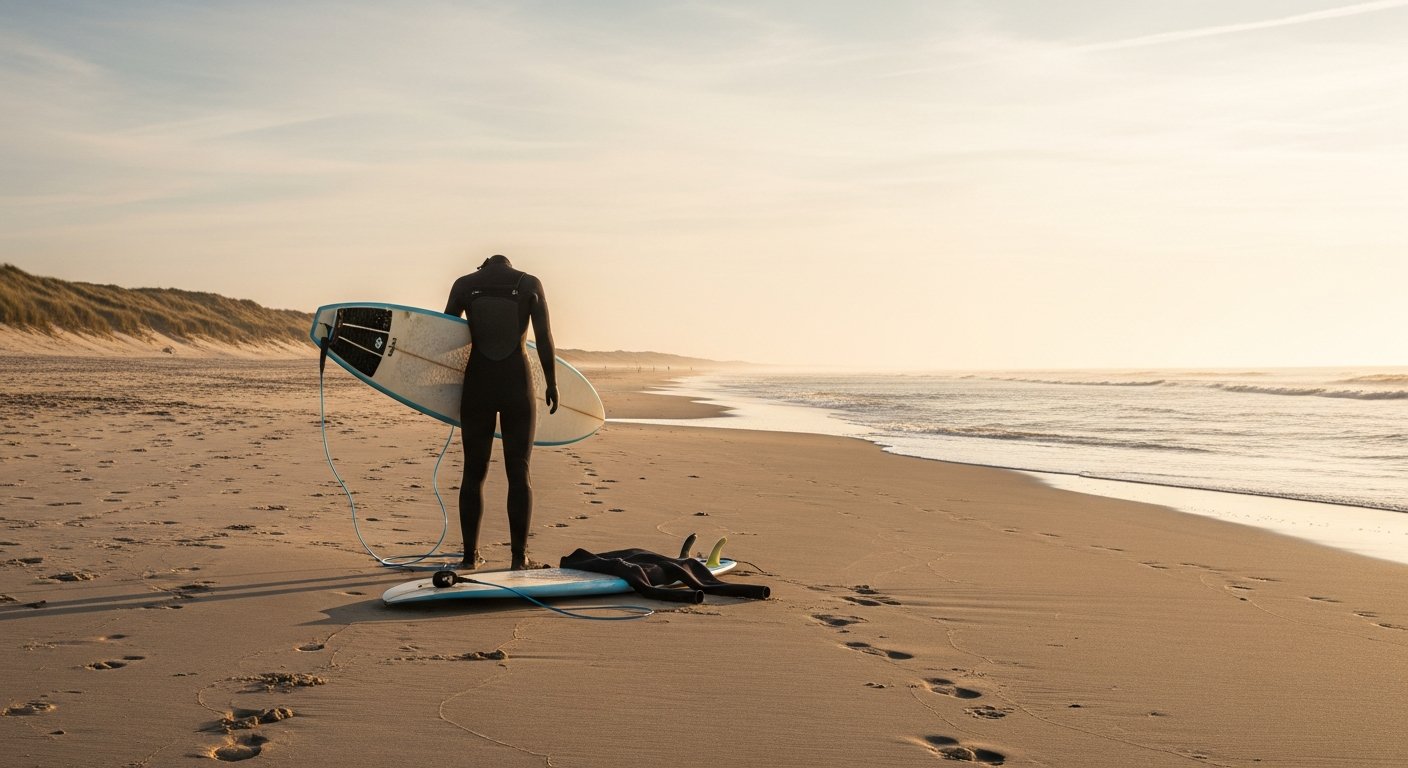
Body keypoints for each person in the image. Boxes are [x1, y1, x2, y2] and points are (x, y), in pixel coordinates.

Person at [444, 254, 558, 570]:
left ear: (484, 266)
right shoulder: (530, 283)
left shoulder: (464, 284)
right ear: (509, 265)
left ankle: (469, 557)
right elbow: (545, 338)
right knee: (519, 470)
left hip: (477, 384)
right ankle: (518, 559)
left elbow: (444, 337)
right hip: (516, 385)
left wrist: (441, 388)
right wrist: (551, 383)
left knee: (473, 471)